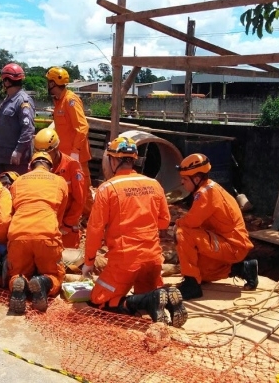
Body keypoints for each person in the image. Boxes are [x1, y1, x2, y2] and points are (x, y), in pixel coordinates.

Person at [82, 136, 187, 327]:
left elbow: (95, 229)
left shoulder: (108, 189)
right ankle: (166, 301)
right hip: (153, 260)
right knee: (146, 295)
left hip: (125, 261)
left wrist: (89, 262)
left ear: (113, 160)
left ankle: (149, 300)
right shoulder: (154, 184)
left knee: (99, 300)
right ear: (133, 160)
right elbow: (164, 221)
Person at [173, 153, 258, 300]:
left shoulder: (205, 194)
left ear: (197, 179)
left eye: (185, 179)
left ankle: (192, 286)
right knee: (200, 271)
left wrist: (177, 224)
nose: (182, 182)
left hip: (233, 246)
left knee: (183, 233)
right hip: (229, 243)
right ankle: (242, 268)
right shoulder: (209, 187)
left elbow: (191, 222)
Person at [7, 151, 68, 314]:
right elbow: (59, 216)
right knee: (54, 274)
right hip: (46, 231)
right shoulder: (60, 181)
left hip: (18, 232)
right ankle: (43, 281)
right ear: (50, 167)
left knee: (17, 272)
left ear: (30, 166)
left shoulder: (18, 181)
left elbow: (10, 211)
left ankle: (19, 282)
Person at [45, 66, 93, 214]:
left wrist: (75, 152)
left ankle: (91, 219)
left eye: (48, 82)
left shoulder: (70, 100)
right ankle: (75, 217)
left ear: (53, 83)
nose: (47, 84)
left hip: (75, 156)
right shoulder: (59, 101)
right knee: (69, 189)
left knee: (82, 189)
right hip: (64, 156)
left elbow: (82, 126)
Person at [33, 128, 85, 249]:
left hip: (66, 226)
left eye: (46, 153)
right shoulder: (35, 165)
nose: (42, 157)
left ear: (56, 149)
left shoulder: (72, 167)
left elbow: (79, 200)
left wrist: (67, 224)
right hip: (44, 223)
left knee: (67, 262)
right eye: (38, 153)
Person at [0, 63, 35, 181]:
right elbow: (2, 124)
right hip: (0, 157)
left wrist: (18, 151)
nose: (2, 84)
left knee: (13, 191)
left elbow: (28, 129)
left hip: (15, 160)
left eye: (3, 80)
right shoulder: (8, 100)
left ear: (7, 82)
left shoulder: (23, 101)